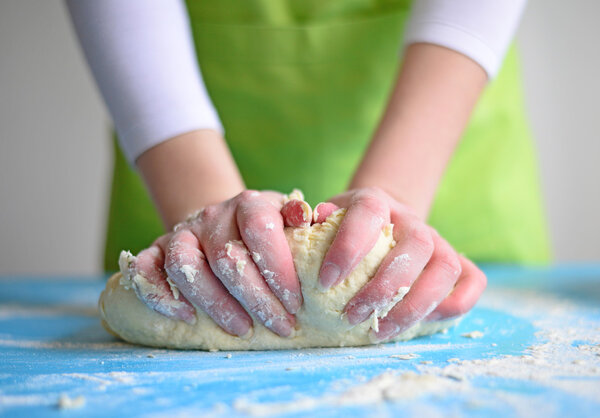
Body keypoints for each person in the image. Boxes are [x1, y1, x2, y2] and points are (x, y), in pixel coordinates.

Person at [67, 0, 549, 342]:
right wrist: (201, 203)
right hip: (174, 144)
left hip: (440, 131)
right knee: (195, 278)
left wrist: (394, 195)